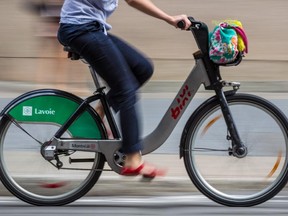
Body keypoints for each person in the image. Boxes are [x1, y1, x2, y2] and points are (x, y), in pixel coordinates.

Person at [57, 0, 191, 178]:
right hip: (79, 29)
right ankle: (132, 157)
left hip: (92, 28)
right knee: (126, 88)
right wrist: (169, 18)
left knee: (142, 68)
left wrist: (169, 19)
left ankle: (99, 112)